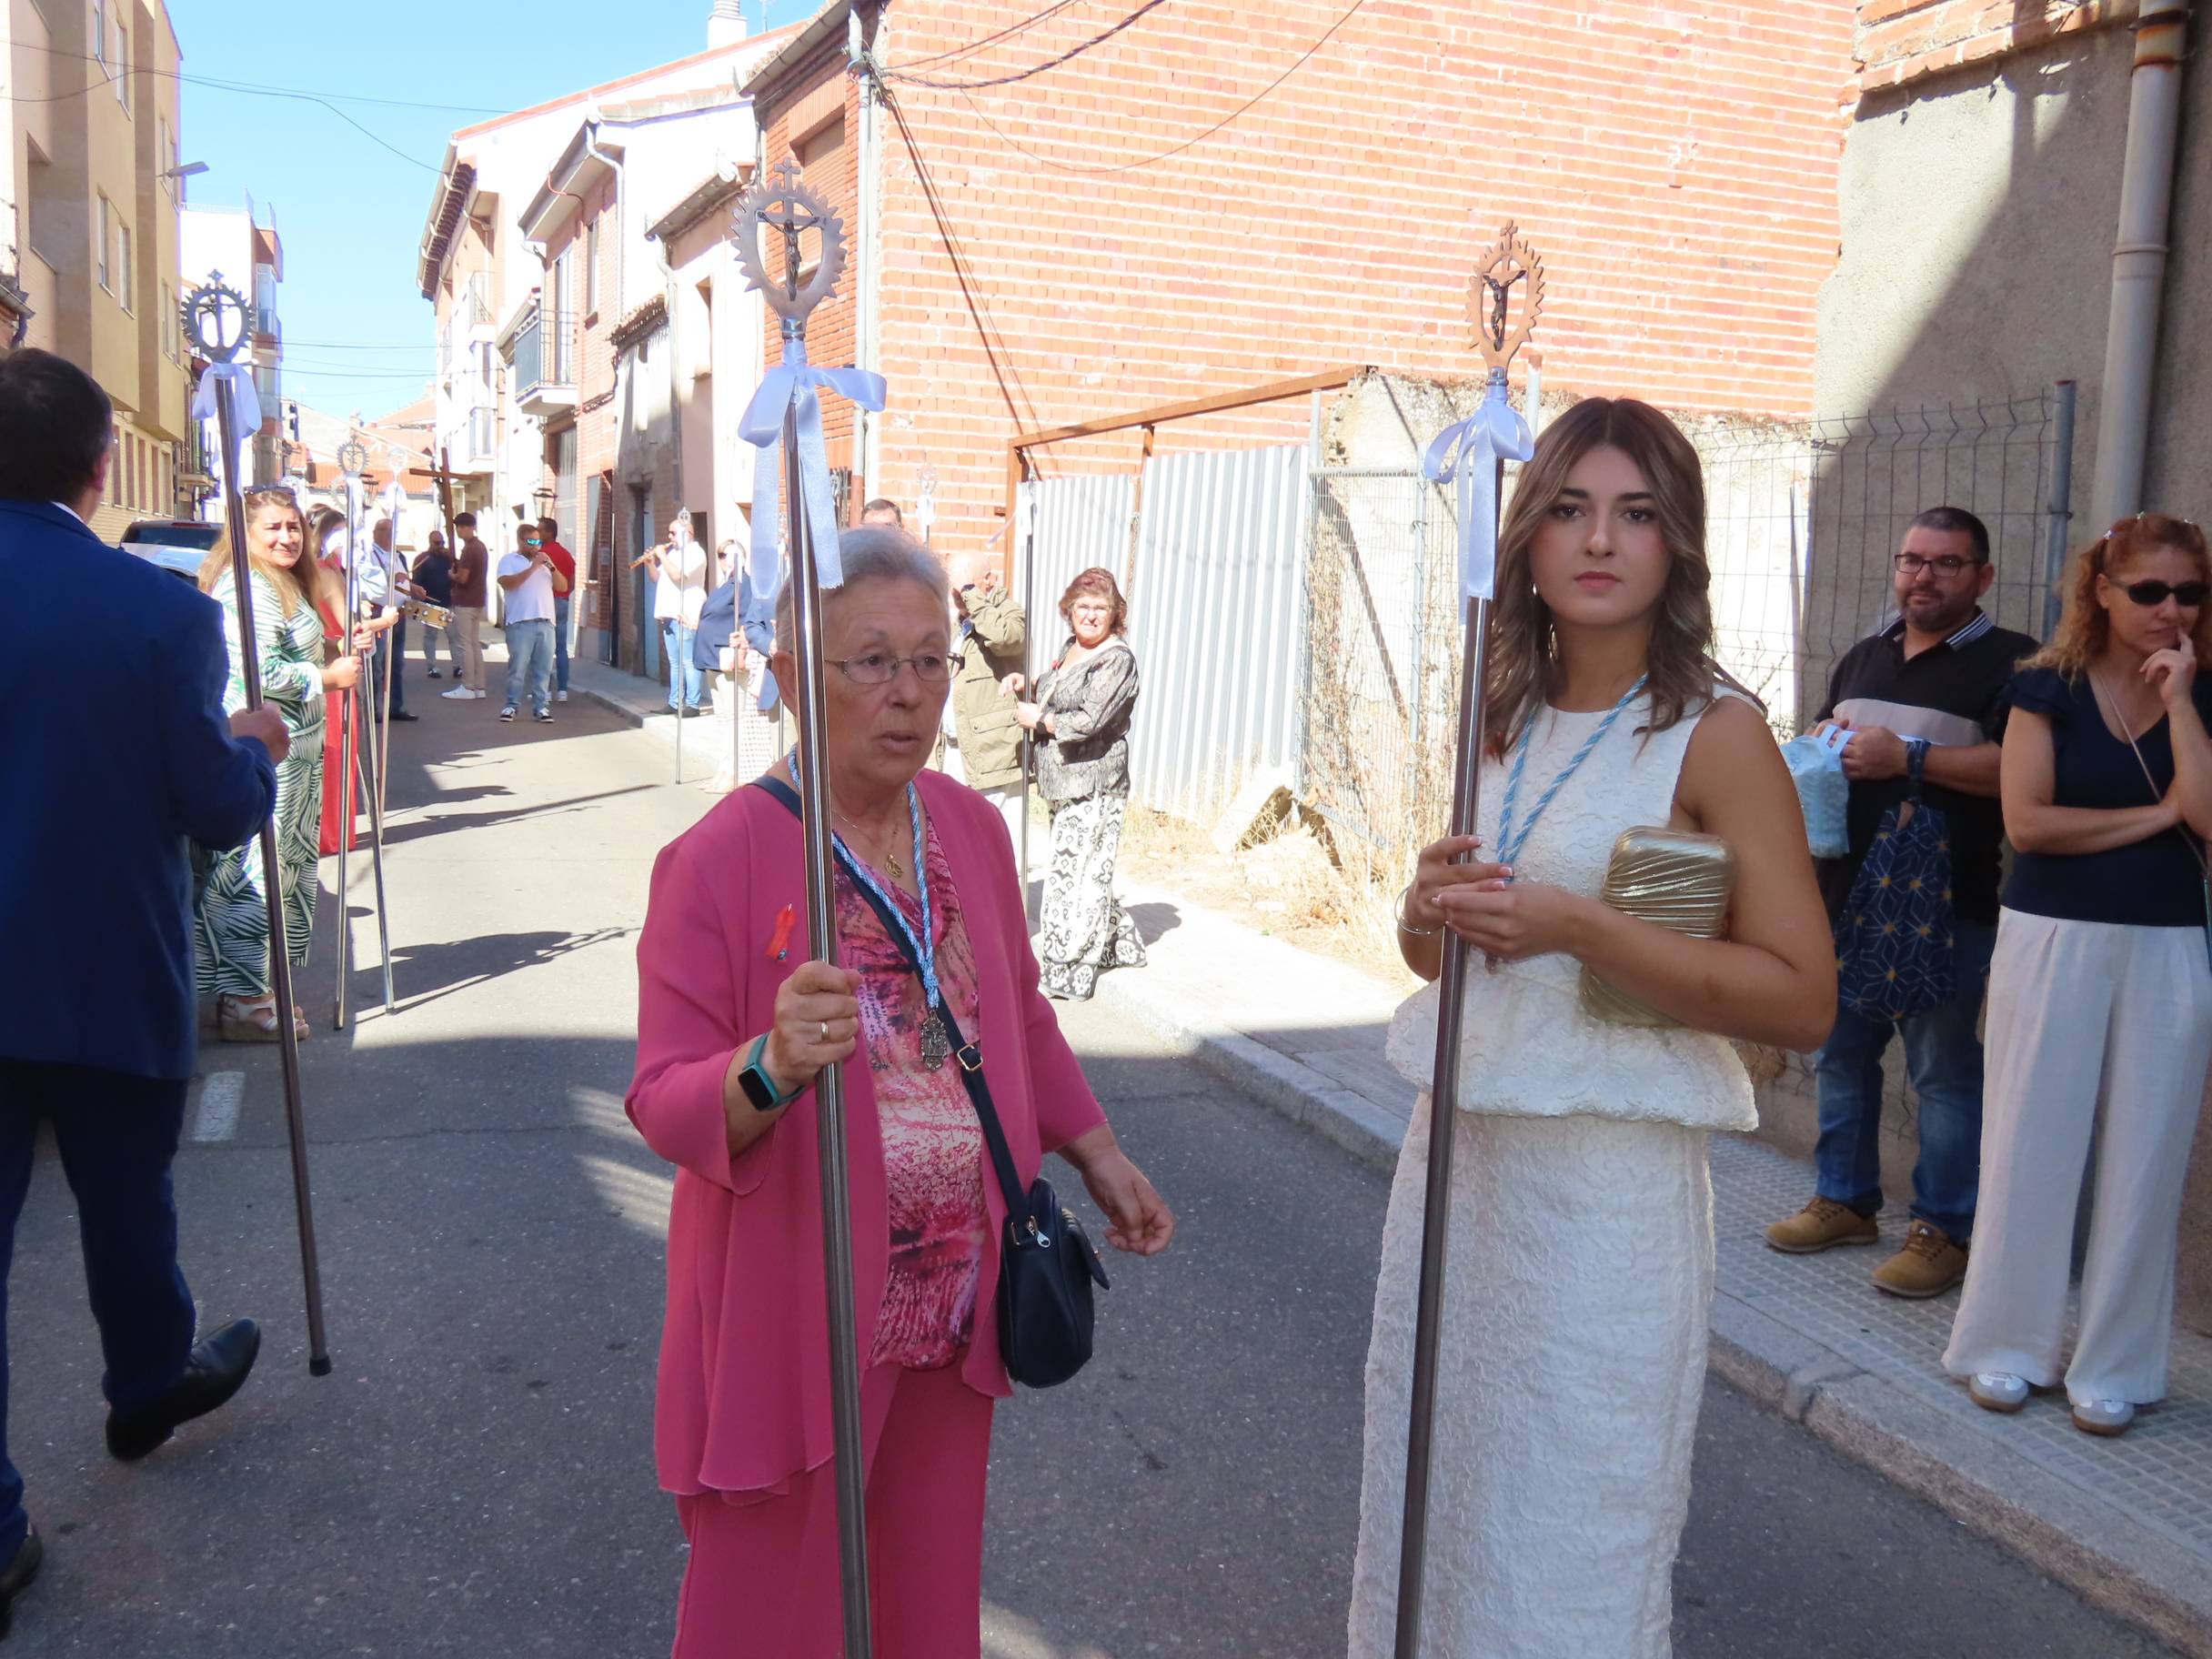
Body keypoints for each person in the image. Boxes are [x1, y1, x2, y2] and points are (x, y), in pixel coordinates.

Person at [628, 525, 1174, 1655]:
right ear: (789, 678)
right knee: (771, 1609)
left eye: (931, 661)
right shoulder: (718, 858)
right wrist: (767, 1067)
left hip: (956, 1292)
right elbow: (662, 1101)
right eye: (871, 661)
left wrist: (1097, 1149)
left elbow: (1016, 1011)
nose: (909, 692)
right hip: (804, 1299)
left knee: (923, 1600)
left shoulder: (969, 828)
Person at [1347, 398, 1834, 1658]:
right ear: (1526, 539)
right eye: (1569, 509)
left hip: (1606, 1195)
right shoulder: (1492, 716)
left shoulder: (1716, 735)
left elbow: (1802, 996)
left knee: (1572, 1530)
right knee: (1437, 1496)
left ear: (1679, 543)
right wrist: (1423, 909)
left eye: (1636, 513)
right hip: (1461, 1170)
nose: (1599, 540)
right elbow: (1441, 960)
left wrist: (1583, 931)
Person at [0, 348, 279, 1630]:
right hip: (109, 969)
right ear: (102, 466)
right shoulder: (161, 615)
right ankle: (146, 1380)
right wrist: (255, 750)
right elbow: (217, 810)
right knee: (126, 1198)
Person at [1944, 513, 2212, 1439]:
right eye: (2148, 591)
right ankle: (2002, 1346)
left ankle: (2117, 1364)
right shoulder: (2042, 688)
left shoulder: (2203, 690)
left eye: (2188, 593)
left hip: (2168, 943)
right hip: (2049, 933)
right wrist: (2153, 818)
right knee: (2030, 1138)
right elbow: (2028, 825)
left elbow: (2207, 818)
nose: (2168, 609)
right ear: (2099, 590)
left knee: (2147, 1154)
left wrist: (2179, 702)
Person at [1765, 508, 2037, 1297]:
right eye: (1912, 560)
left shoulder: (2014, 664)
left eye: (1947, 564)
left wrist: (1909, 757)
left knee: (1942, 1070)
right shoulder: (1862, 658)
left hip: (1947, 903)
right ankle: (1844, 1200)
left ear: (1983, 578)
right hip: (1846, 895)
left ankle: (1943, 1231)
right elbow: (1827, 742)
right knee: (1843, 1053)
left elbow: (2018, 774)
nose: (1924, 576)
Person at [195, 489, 362, 1040]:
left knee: (282, 872)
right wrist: (326, 678)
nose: (287, 537)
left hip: (293, 756)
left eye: (294, 527)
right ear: (243, 533)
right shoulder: (248, 588)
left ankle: (260, 988)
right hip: (265, 754)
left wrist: (344, 644)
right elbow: (258, 670)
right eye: (273, 527)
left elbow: (299, 649)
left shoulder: (280, 581)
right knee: (254, 874)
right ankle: (247, 1002)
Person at [1013, 568, 1145, 1000]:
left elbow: (1089, 719)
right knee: (1086, 867)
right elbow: (1060, 691)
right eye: (1082, 607)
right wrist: (1028, 684)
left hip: (1095, 782)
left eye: (1100, 608)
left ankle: (1068, 966)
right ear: (1069, 611)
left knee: (1074, 878)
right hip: (1060, 781)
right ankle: (1119, 941)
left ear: (1114, 614)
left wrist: (1042, 721)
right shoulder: (1072, 648)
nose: (1090, 616)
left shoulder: (1117, 660)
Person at [944, 550, 1028, 856]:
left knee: (997, 849)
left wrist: (971, 594)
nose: (959, 597)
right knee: (960, 845)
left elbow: (1004, 638)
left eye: (966, 588)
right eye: (955, 591)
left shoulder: (1010, 614)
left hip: (993, 753)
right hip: (958, 750)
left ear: (990, 581)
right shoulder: (961, 625)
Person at [637, 514, 709, 716]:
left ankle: (693, 704)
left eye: (673, 532)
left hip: (685, 615)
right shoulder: (674, 554)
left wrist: (662, 557)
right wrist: (651, 562)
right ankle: (674, 702)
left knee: (688, 661)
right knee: (675, 663)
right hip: (668, 616)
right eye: (669, 532)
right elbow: (657, 578)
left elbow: (678, 576)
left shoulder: (696, 553)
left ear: (688, 534)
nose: (669, 536)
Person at [497, 519, 565, 724]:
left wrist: (551, 567)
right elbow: (509, 584)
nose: (536, 546)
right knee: (517, 668)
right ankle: (511, 705)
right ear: (520, 541)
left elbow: (562, 586)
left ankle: (541, 707)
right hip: (520, 622)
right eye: (531, 542)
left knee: (543, 669)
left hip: (545, 621)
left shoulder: (546, 564)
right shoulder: (509, 560)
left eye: (538, 542)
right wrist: (533, 567)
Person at [358, 517, 417, 723]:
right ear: (375, 532)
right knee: (377, 665)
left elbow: (402, 582)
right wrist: (393, 579)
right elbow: (369, 583)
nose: (388, 534)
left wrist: (413, 587)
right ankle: (373, 709)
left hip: (398, 614)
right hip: (379, 613)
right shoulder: (368, 554)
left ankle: (396, 706)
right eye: (383, 530)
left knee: (397, 663)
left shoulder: (397, 555)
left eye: (391, 531)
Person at [441, 511, 489, 700]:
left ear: (467, 527)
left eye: (461, 527)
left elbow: (463, 577)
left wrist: (451, 575)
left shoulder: (470, 549)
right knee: (474, 644)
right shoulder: (481, 547)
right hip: (478, 600)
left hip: (466, 600)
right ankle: (479, 686)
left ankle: (468, 685)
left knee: (466, 644)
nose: (459, 531)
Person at [537, 517, 577, 703]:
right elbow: (572, 582)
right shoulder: (566, 554)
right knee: (561, 648)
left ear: (549, 532)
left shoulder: (542, 554)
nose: (538, 534)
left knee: (543, 648)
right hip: (563, 601)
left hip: (546, 603)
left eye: (541, 530)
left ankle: (544, 690)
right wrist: (565, 594)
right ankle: (562, 690)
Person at [411, 529, 459, 679]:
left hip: (448, 603)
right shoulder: (423, 559)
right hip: (430, 604)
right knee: (431, 637)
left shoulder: (448, 559)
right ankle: (432, 667)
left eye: (442, 543)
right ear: (430, 542)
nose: (440, 546)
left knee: (454, 637)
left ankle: (457, 666)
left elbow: (457, 577)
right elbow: (415, 583)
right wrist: (418, 603)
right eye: (437, 543)